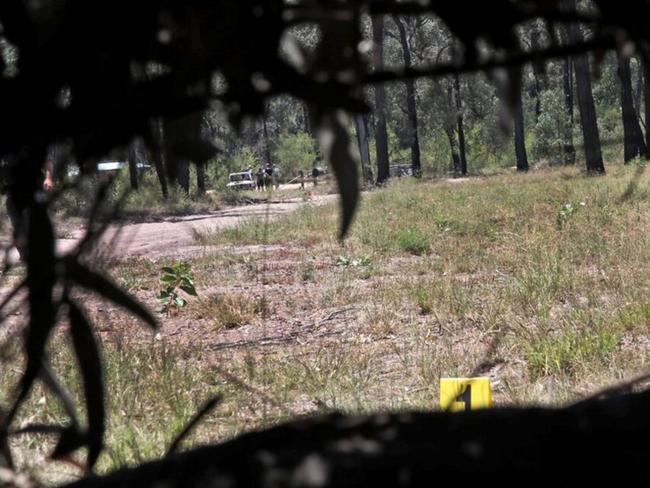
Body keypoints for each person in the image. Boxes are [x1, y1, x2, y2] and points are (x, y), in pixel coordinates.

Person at [5, 158, 54, 261]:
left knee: (33, 222)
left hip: (33, 191)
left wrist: (48, 178)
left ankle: (37, 254)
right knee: (17, 226)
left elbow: (47, 161)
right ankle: (24, 256)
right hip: (13, 193)